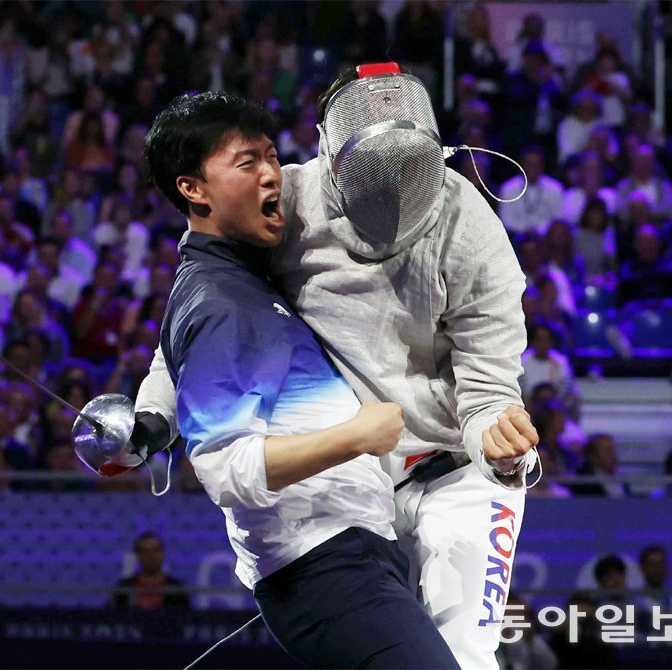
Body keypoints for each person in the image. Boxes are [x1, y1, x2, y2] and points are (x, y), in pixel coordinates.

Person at [132, 65, 538, 669]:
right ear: (332, 158)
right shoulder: (284, 207)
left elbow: (486, 389)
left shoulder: (474, 234)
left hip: (454, 478)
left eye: (411, 169)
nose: (394, 189)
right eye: (373, 171)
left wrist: (496, 439)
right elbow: (204, 326)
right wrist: (151, 417)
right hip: (351, 482)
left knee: (466, 658)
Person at [111, 532, 189, 610]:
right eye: (145, 552)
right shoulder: (124, 587)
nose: (151, 556)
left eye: (156, 551)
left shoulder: (177, 589)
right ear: (137, 555)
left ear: (163, 554)